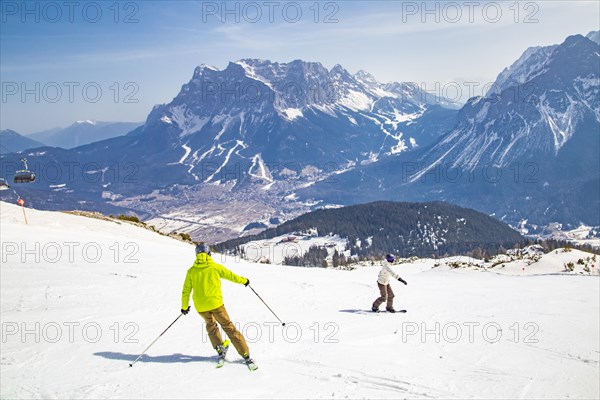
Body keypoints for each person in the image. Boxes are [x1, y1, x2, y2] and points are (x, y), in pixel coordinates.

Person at [181, 243, 256, 368]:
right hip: (216, 304)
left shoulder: (191, 271)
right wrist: (244, 281)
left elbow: (186, 290)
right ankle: (245, 354)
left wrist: (184, 307)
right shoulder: (215, 267)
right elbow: (231, 276)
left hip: (201, 307)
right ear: (209, 254)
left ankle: (220, 348)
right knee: (228, 327)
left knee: (211, 326)